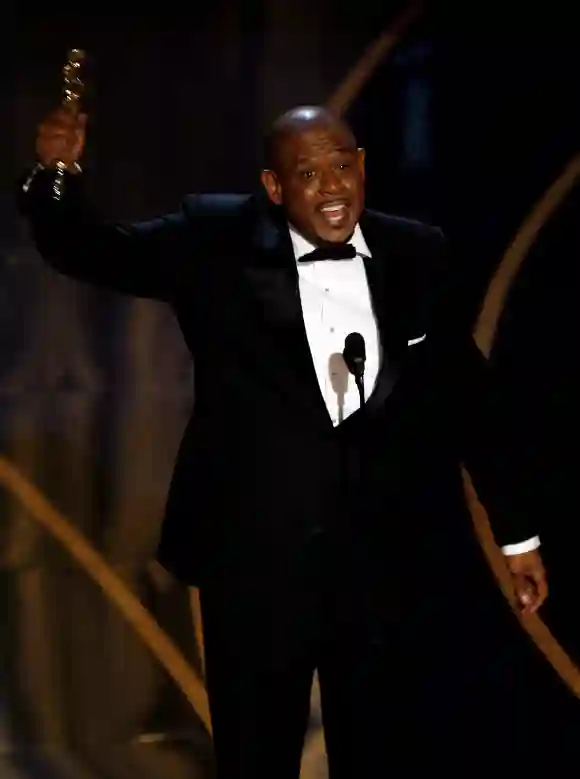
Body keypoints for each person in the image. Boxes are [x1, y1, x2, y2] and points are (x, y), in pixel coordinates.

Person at [18, 104, 547, 777]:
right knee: (257, 755)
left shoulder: (417, 251)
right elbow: (88, 249)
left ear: (363, 167)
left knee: (383, 751)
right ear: (273, 187)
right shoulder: (212, 241)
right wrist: (57, 176)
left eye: (342, 165)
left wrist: (517, 535)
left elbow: (467, 394)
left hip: (382, 566)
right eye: (308, 172)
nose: (331, 186)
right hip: (255, 567)